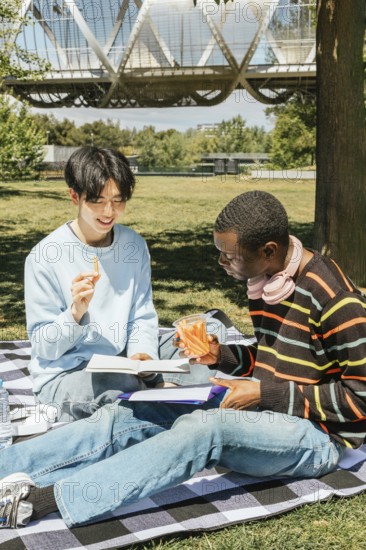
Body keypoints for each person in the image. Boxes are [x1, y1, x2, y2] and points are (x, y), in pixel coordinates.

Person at [2, 190, 366, 529]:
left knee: (204, 429)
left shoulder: (338, 301)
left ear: (269, 250)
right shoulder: (269, 280)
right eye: (219, 251)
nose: (222, 262)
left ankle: (41, 501)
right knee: (134, 409)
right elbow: (275, 359)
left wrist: (263, 395)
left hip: (319, 437)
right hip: (266, 405)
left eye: (230, 255)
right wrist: (220, 355)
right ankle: (8, 467)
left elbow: (359, 400)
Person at [24, 147, 161, 421]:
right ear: (74, 195)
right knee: (119, 388)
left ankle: (157, 399)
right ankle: (161, 405)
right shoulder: (44, 256)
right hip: (67, 373)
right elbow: (43, 346)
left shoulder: (133, 245)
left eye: (118, 200)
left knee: (199, 351)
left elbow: (142, 314)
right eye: (97, 201)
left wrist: (143, 357)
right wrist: (75, 314)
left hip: (122, 358)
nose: (109, 212)